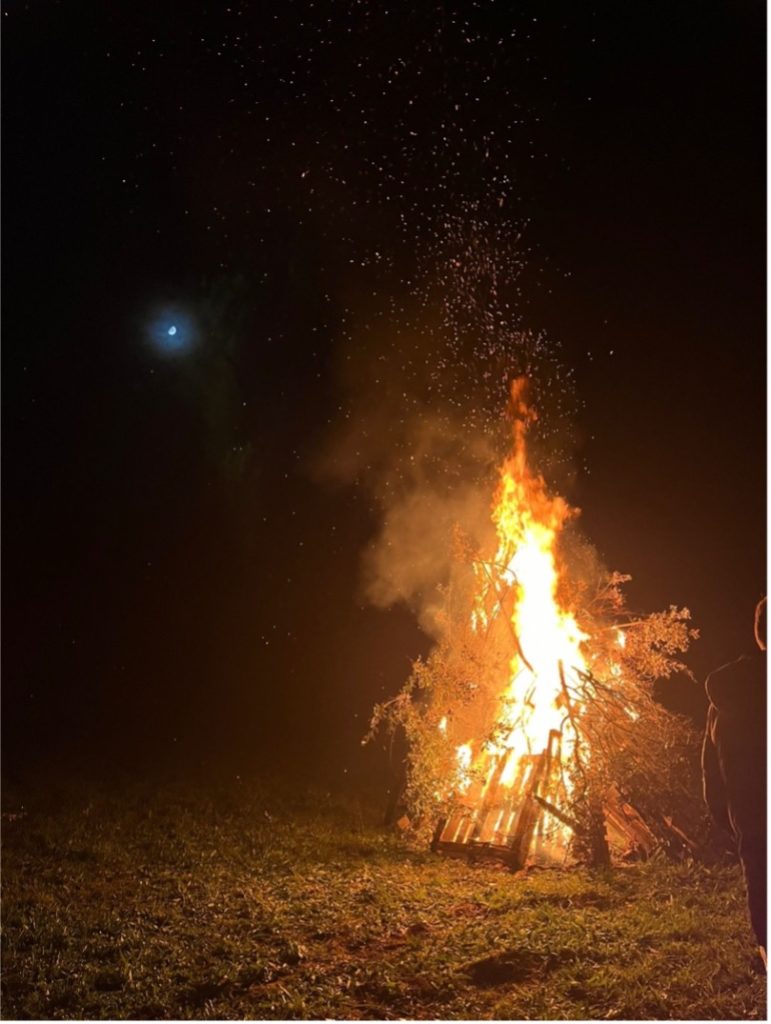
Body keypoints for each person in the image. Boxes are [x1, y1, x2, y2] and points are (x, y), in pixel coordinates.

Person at [702, 596, 767, 967]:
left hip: (751, 816)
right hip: (753, 816)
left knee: (761, 883)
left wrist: (725, 817)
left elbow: (710, 767)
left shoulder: (725, 694)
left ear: (758, 634)